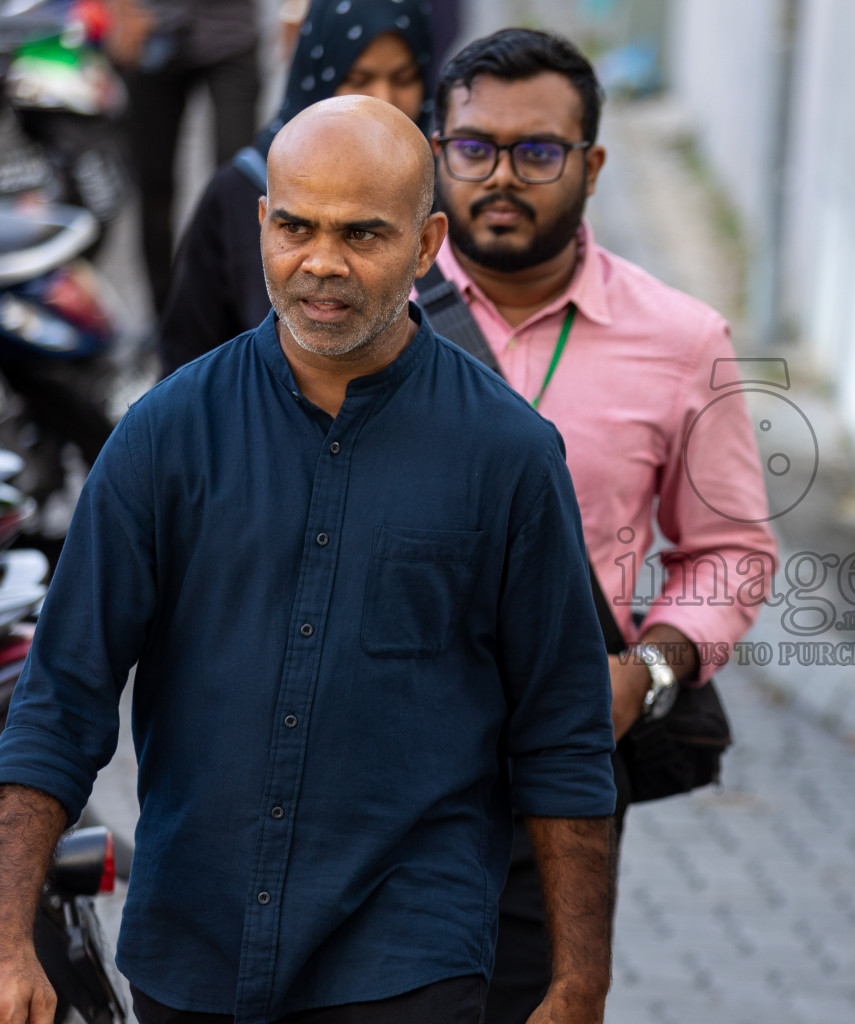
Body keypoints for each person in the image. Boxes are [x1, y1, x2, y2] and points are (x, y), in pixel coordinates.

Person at [0, 96, 616, 1024]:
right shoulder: (166, 436)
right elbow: (62, 697)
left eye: (362, 234)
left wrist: (578, 983)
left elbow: (563, 732)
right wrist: (9, 939)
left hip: (405, 960)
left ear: (425, 243)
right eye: (296, 226)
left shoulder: (507, 456)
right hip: (191, 954)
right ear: (262, 224)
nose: (321, 263)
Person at [422, 29, 777, 1023]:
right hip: (373, 754)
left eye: (537, 153)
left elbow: (733, 549)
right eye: (473, 148)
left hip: (559, 762)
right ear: (436, 150)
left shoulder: (681, 338)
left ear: (592, 165)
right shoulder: (373, 315)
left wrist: (650, 672)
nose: (501, 177)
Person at [156, 0, 435, 377]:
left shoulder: (443, 188)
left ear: (428, 242)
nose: (382, 100)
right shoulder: (240, 190)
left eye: (404, 80)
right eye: (295, 227)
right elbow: (186, 358)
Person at [105, 0, 260, 314]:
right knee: (154, 185)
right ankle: (162, 318)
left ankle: (235, 314)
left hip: (232, 33)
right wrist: (120, 10)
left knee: (238, 182)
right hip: (154, 29)